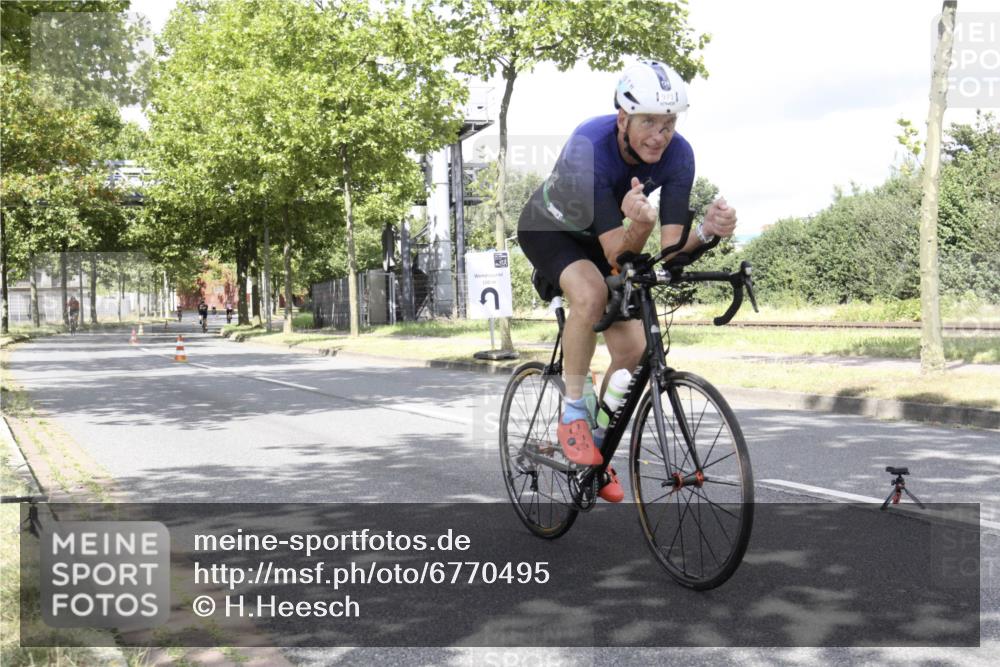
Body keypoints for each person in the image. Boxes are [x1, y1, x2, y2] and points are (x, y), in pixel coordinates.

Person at [516, 60, 738, 503]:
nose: (661, 134)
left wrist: (709, 232)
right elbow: (619, 252)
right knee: (592, 293)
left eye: (669, 122)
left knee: (635, 351)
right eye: (649, 122)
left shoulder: (680, 155)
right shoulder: (590, 147)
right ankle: (574, 414)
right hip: (549, 229)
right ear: (623, 119)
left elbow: (671, 250)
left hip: (604, 237)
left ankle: (597, 441)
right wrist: (638, 225)